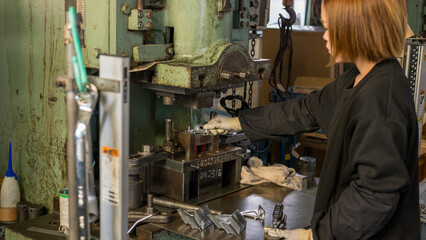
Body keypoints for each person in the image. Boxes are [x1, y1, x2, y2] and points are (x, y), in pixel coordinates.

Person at [204, 0, 420, 239]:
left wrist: (314, 236)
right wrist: (238, 123)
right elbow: (303, 111)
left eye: (329, 27)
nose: (325, 37)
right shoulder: (358, 80)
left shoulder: (380, 101)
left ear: (355, 28)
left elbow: (374, 197)